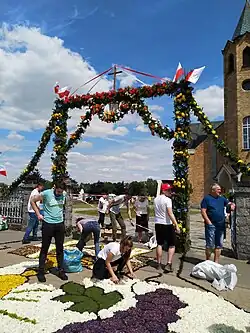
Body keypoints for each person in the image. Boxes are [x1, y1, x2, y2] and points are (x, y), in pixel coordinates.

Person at [30, 181, 68, 283]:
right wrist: (38, 214)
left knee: (60, 248)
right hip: (48, 224)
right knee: (45, 248)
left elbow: (63, 207)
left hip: (59, 224)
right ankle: (41, 272)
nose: (59, 194)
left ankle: (61, 270)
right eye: (58, 192)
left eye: (61, 192)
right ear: (54, 187)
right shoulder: (46, 193)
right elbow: (32, 201)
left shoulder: (64, 194)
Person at [201, 183, 235, 263]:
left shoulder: (222, 198)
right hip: (211, 225)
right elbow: (203, 211)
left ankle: (216, 262)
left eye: (220, 189)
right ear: (213, 190)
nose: (220, 191)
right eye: (218, 189)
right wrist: (208, 222)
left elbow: (229, 204)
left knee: (219, 245)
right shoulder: (207, 199)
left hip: (221, 225)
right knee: (210, 245)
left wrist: (232, 205)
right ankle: (208, 261)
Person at [154, 183, 180, 273]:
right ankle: (169, 263)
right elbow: (170, 213)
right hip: (167, 223)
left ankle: (158, 263)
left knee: (159, 243)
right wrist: (176, 224)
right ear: (163, 190)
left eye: (170, 190)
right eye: (168, 190)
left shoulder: (156, 199)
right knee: (172, 244)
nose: (170, 192)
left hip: (158, 223)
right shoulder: (167, 200)